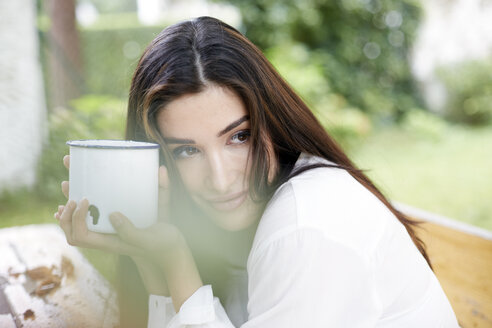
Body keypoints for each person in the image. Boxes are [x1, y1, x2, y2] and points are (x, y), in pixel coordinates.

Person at [55, 16, 459, 327]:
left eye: (239, 136)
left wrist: (177, 261)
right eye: (186, 151)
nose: (221, 177)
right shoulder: (243, 218)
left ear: (272, 120)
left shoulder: (306, 226)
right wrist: (150, 255)